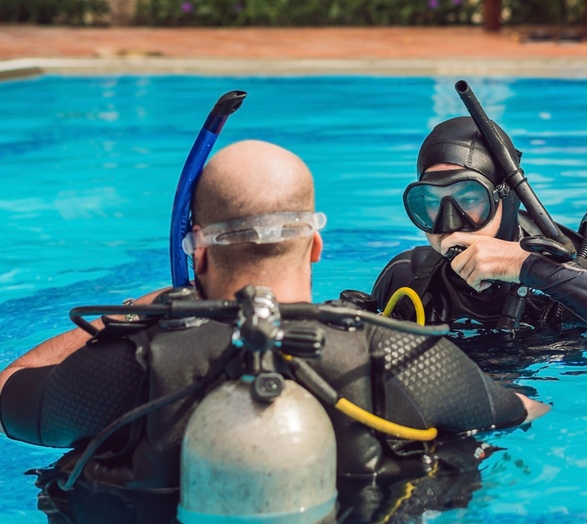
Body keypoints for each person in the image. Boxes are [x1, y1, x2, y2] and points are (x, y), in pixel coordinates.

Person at [0, 139, 548, 523]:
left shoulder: (126, 365)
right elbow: (524, 410)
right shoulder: (402, 356)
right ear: (315, 247)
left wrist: (132, 312)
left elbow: (11, 387)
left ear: (197, 252)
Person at [371, 116, 587, 347]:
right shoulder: (408, 279)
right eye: (431, 203)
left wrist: (528, 267)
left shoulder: (574, 281)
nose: (449, 223)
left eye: (469, 200)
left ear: (505, 199)